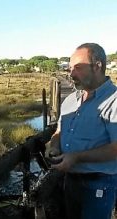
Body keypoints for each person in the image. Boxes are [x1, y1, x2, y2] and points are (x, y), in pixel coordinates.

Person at [47, 43, 117, 219]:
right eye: (70, 68)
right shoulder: (71, 99)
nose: (71, 74)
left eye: (78, 68)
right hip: (70, 180)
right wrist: (54, 146)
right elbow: (59, 130)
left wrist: (76, 157)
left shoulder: (114, 101)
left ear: (97, 65)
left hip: (99, 183)